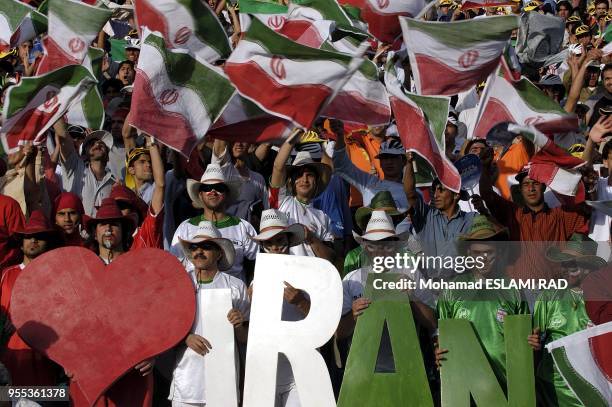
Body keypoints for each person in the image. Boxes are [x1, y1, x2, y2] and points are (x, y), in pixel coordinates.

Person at [434, 215, 537, 389]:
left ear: (499, 251)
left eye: (489, 252)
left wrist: (533, 341)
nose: (483, 258)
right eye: (477, 253)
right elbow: (441, 334)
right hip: (465, 385)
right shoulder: (452, 289)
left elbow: (526, 334)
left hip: (507, 383)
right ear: (468, 253)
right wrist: (437, 350)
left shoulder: (513, 289)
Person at [70, 197, 155, 406]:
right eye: (102, 224)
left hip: (133, 367)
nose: (108, 228)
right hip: (88, 366)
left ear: (123, 230)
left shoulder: (140, 269)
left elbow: (156, 315)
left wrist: (153, 353)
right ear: (95, 231)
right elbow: (67, 316)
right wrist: (66, 356)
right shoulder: (80, 270)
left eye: (114, 224)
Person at [336, 211, 436, 371]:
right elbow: (338, 334)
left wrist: (412, 298)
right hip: (361, 371)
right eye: (374, 244)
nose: (380, 250)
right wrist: (353, 315)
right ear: (365, 246)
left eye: (386, 244)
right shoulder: (351, 280)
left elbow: (432, 322)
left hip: (407, 368)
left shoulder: (411, 273)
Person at [169, 221, 249, 407]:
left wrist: (239, 325)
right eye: (194, 247)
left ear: (219, 252)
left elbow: (245, 339)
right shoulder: (179, 284)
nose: (199, 251)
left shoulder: (236, 286)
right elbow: (166, 329)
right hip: (186, 382)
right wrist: (185, 338)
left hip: (224, 383)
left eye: (206, 247)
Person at [479, 159, 588, 280]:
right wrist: (484, 165)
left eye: (535, 183)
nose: (531, 188)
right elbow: (486, 193)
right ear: (520, 190)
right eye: (526, 184)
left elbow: (583, 207)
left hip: (553, 290)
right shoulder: (512, 214)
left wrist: (579, 176)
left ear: (543, 187)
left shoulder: (561, 216)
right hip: (520, 291)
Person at [533, 234, 607, 407]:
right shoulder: (549, 296)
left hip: (591, 389)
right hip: (554, 390)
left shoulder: (603, 298)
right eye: (563, 263)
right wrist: (534, 343)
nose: (565, 268)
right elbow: (535, 341)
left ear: (588, 267)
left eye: (571, 264)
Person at [249, 209, 308, 406]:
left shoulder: (308, 273)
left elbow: (321, 319)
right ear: (262, 245)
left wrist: (301, 302)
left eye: (280, 240)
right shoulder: (255, 279)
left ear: (289, 241)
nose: (275, 246)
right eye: (269, 242)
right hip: (266, 369)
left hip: (298, 369)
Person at [0, 211, 62, 386]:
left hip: (46, 360)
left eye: (39, 237)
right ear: (21, 244)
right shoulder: (6, 274)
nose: (33, 241)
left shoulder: (57, 276)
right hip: (10, 359)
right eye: (28, 237)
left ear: (48, 243)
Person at [171, 164, 258, 283]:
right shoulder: (186, 227)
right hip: (194, 295)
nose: (212, 192)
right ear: (200, 195)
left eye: (219, 188)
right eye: (207, 188)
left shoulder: (243, 226)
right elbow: (175, 266)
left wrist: (251, 287)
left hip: (234, 296)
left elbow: (257, 262)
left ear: (226, 194)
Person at [404, 152, 477, 279]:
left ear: (456, 195)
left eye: (441, 190)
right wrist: (409, 163)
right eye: (435, 190)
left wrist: (484, 210)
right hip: (431, 289)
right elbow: (410, 194)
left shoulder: (471, 218)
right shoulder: (426, 215)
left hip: (460, 290)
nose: (436, 195)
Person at [271, 131, 335, 262]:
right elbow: (278, 167)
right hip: (283, 274)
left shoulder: (324, 218)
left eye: (309, 175)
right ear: (291, 181)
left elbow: (330, 259)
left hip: (312, 278)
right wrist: (294, 136)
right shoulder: (281, 201)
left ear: (316, 181)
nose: (304, 179)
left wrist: (312, 238)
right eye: (299, 175)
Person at [334, 126, 409, 212]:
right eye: (385, 158)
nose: (389, 162)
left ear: (403, 161)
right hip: (358, 206)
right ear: (380, 162)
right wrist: (340, 136)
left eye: (393, 158)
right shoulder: (369, 183)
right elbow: (340, 165)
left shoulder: (412, 193)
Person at [55, 118, 116, 216]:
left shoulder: (114, 184)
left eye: (102, 144)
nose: (97, 144)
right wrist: (57, 106)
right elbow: (63, 135)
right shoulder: (75, 167)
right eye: (91, 144)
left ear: (108, 156)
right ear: (85, 153)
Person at [212, 139, 269, 222]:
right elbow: (220, 143)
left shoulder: (258, 178)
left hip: (250, 233)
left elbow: (266, 210)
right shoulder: (224, 170)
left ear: (251, 146)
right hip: (225, 231)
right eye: (235, 140)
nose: (238, 143)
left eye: (243, 139)